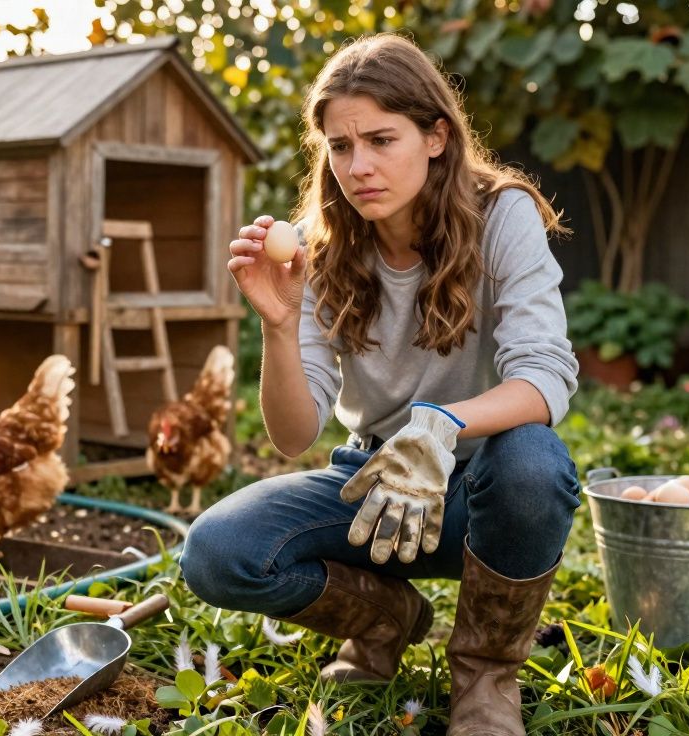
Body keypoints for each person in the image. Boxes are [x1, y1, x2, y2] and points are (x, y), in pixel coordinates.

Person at [180, 33, 581, 735]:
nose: (358, 166)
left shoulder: (503, 216)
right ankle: (388, 616)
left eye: (380, 140)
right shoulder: (318, 249)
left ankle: (487, 675)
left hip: (476, 497)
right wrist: (277, 324)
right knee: (218, 552)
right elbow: (294, 435)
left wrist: (439, 422)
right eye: (339, 146)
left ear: (436, 136)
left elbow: (545, 380)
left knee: (533, 463)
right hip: (372, 487)